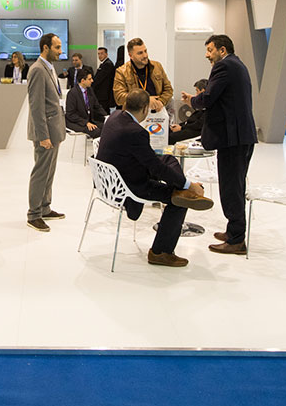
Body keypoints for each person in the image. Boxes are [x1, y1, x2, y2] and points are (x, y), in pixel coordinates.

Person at [97, 89, 213, 267]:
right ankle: (161, 252)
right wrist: (188, 184)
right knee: (178, 200)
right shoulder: (135, 132)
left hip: (109, 180)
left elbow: (152, 161)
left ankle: (183, 188)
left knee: (168, 159)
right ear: (145, 109)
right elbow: (156, 169)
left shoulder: (114, 118)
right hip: (128, 186)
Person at [182, 34, 258, 256]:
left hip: (233, 139)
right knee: (235, 185)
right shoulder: (237, 64)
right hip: (240, 137)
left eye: (210, 50)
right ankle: (234, 231)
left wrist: (191, 100)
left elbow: (208, 98)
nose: (207, 55)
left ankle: (236, 240)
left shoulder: (224, 66)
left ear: (222, 50)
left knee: (231, 188)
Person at [26, 32, 66, 232]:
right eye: (57, 47)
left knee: (49, 172)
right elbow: (36, 107)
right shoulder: (37, 70)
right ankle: (34, 214)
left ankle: (45, 207)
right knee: (41, 172)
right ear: (45, 48)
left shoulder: (49, 68)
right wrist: (43, 136)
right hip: (46, 133)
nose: (61, 51)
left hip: (54, 130)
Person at [112, 38, 173, 113]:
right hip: (134, 115)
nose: (145, 55)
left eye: (145, 51)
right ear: (131, 55)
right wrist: (145, 101)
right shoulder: (121, 71)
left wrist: (161, 102)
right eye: (140, 53)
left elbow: (168, 89)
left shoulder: (157, 66)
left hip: (157, 113)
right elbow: (119, 97)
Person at [65, 70, 107, 139]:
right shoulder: (72, 93)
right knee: (96, 132)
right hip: (76, 122)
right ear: (82, 81)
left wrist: (106, 116)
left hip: (88, 120)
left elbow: (97, 106)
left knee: (106, 127)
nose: (92, 81)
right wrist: (86, 123)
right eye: (89, 79)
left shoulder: (90, 90)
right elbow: (70, 114)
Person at [169, 79, 209, 144]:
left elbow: (199, 124)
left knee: (171, 137)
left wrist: (181, 128)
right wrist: (179, 125)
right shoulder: (201, 108)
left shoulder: (208, 108)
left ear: (203, 91)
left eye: (197, 91)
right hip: (189, 128)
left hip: (196, 131)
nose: (195, 94)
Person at [91, 46, 116, 112]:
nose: (100, 56)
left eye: (102, 53)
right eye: (98, 54)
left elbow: (99, 79)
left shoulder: (107, 64)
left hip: (104, 95)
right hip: (102, 95)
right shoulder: (104, 64)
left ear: (106, 54)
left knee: (103, 112)